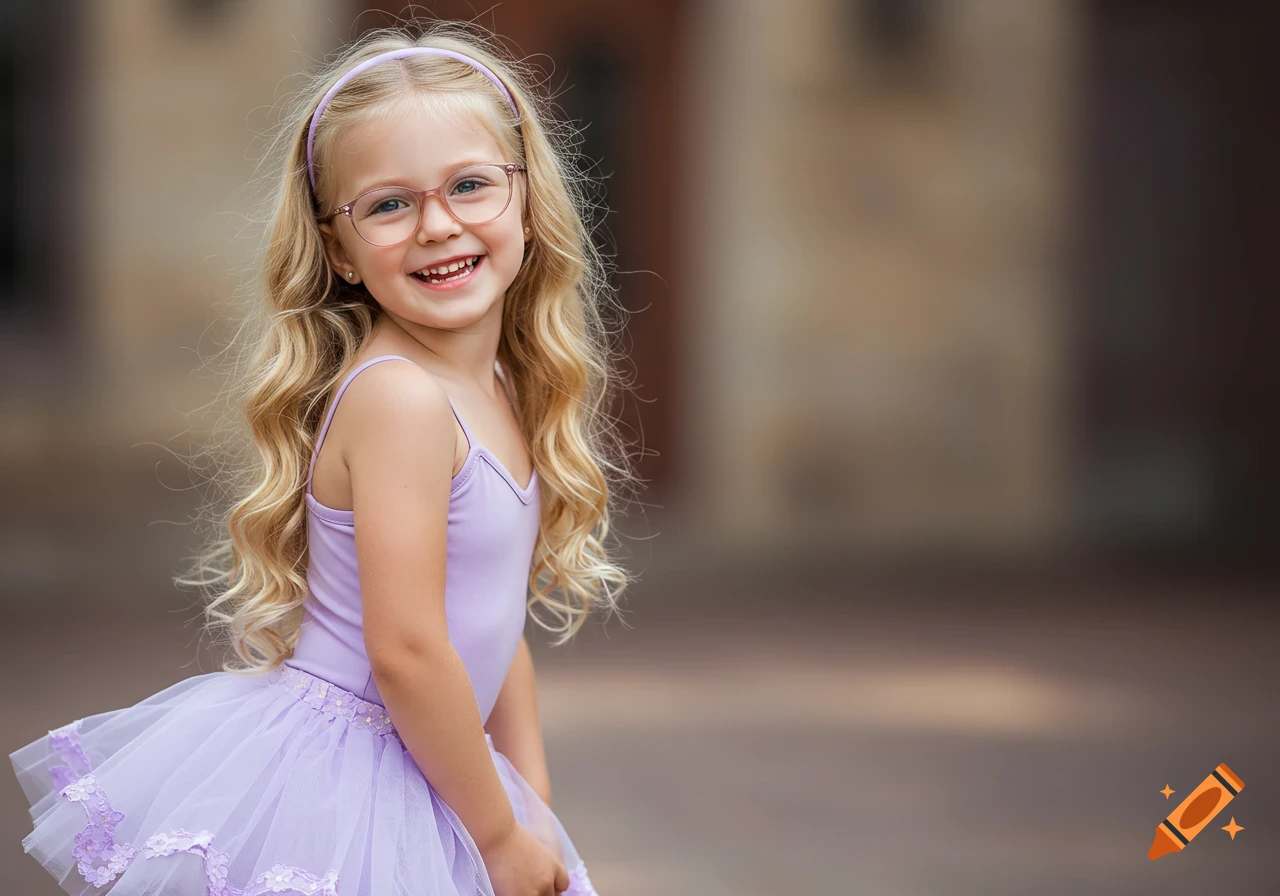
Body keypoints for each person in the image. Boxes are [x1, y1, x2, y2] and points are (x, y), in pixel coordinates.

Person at [9, 21, 636, 896]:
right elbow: (411, 649)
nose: (437, 224)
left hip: (444, 763)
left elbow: (495, 637)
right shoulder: (400, 399)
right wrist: (495, 835)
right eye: (388, 203)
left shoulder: (494, 381)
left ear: (527, 205)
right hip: (354, 776)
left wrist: (528, 802)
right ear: (337, 250)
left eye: (469, 185)